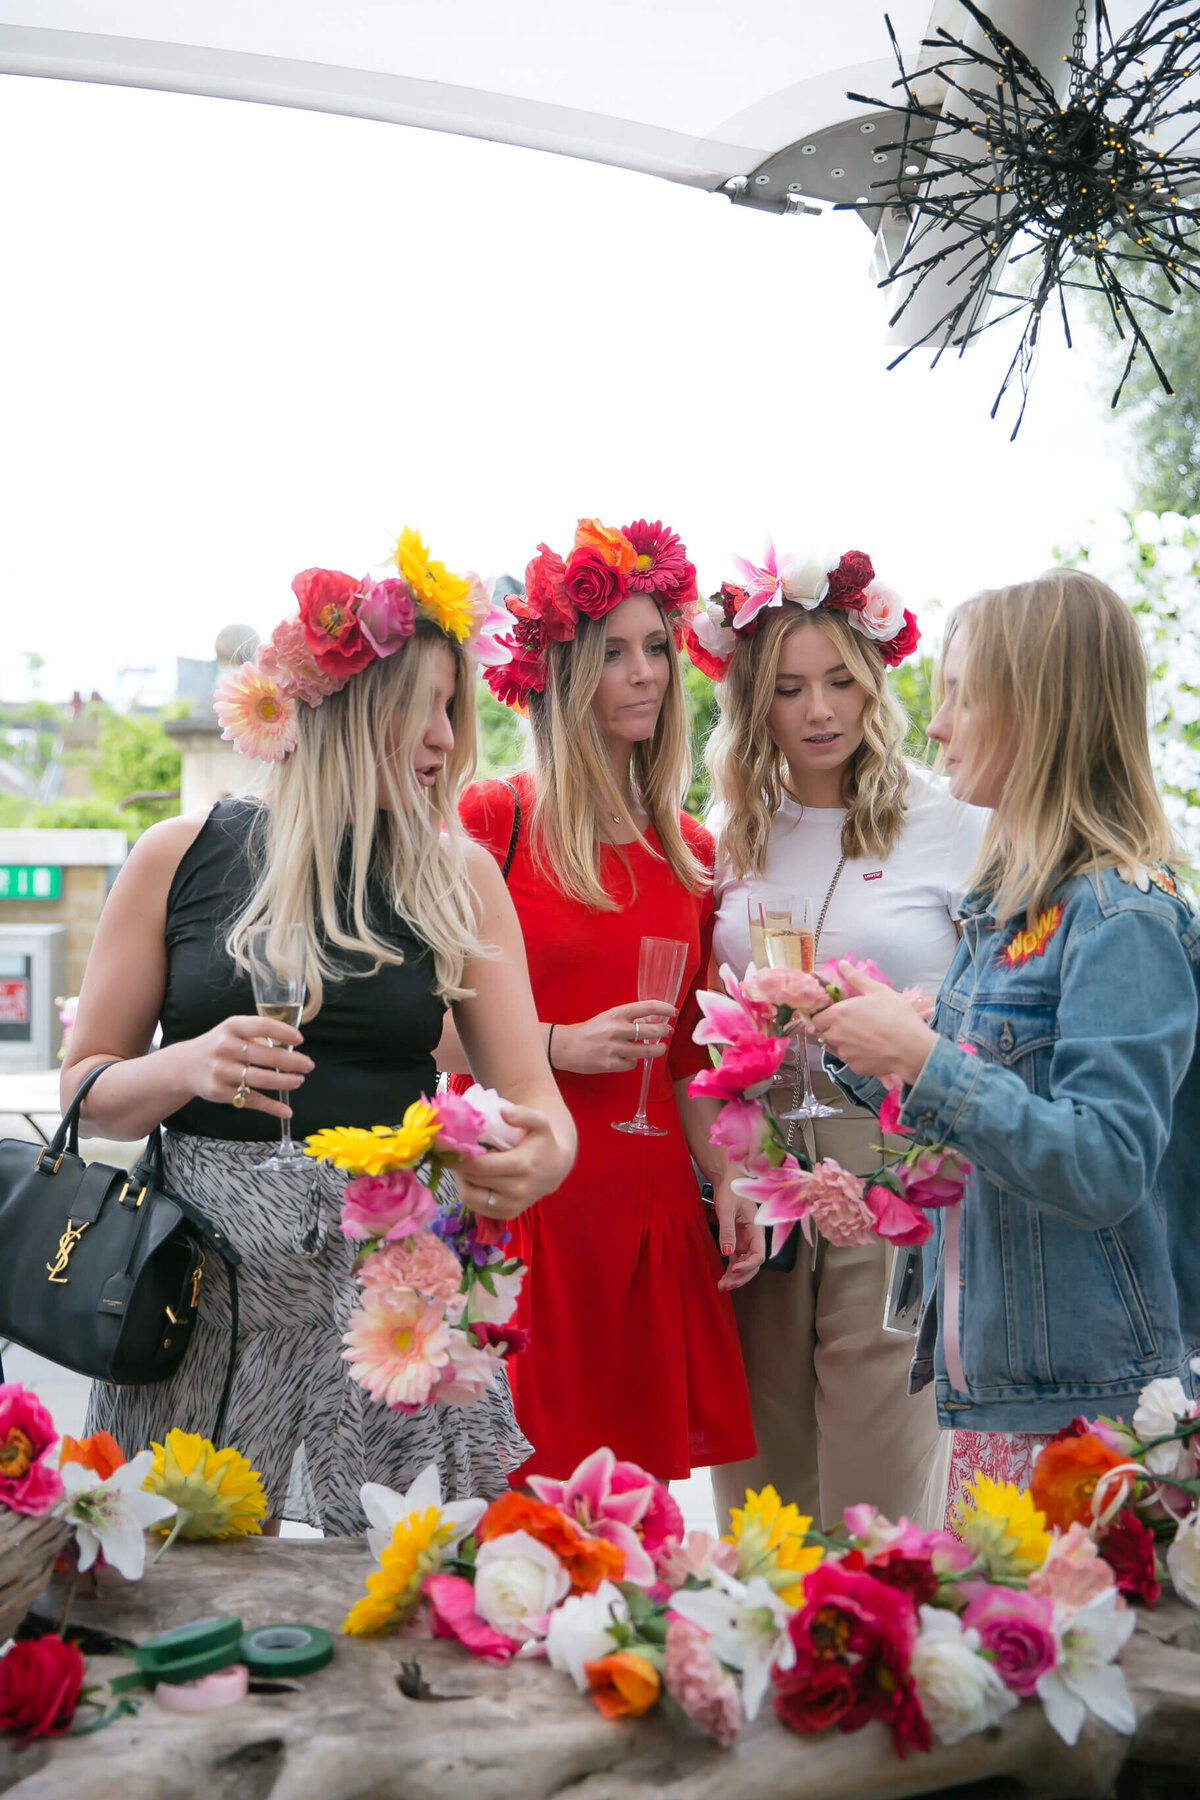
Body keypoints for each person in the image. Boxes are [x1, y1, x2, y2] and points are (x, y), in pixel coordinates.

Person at [61, 533, 576, 1534]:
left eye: (452, 712)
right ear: (344, 708)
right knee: (177, 1568)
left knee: (396, 1580)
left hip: (388, 1295)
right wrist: (184, 1065)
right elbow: (85, 1090)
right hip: (198, 1292)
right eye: (421, 707)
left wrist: (534, 1156)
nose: (445, 739)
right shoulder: (179, 854)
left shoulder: (455, 875)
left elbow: (542, 1111)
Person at [812, 569, 1200, 1520]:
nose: (935, 725)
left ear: (1036, 711)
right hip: (1004, 1392)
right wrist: (861, 1041)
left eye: (959, 695)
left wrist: (920, 1057)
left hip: (1095, 1412)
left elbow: (1104, 1165)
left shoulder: (1122, 922)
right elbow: (987, 1120)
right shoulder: (1010, 911)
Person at [437, 515, 761, 1482]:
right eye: (614, 652)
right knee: (512, 1485)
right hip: (523, 1193)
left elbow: (693, 1057)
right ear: (562, 673)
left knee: (631, 1504)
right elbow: (417, 1025)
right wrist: (553, 1044)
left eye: (658, 648)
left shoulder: (695, 852)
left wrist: (731, 1178)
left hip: (647, 1202)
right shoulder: (490, 820)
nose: (647, 673)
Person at [684, 545, 984, 1532]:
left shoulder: (952, 826)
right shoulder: (731, 830)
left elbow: (994, 1000)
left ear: (874, 687)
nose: (819, 710)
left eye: (840, 682)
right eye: (789, 687)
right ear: (753, 704)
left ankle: (882, 1662)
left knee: (879, 1479)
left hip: (893, 1163)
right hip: (754, 1171)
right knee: (762, 1491)